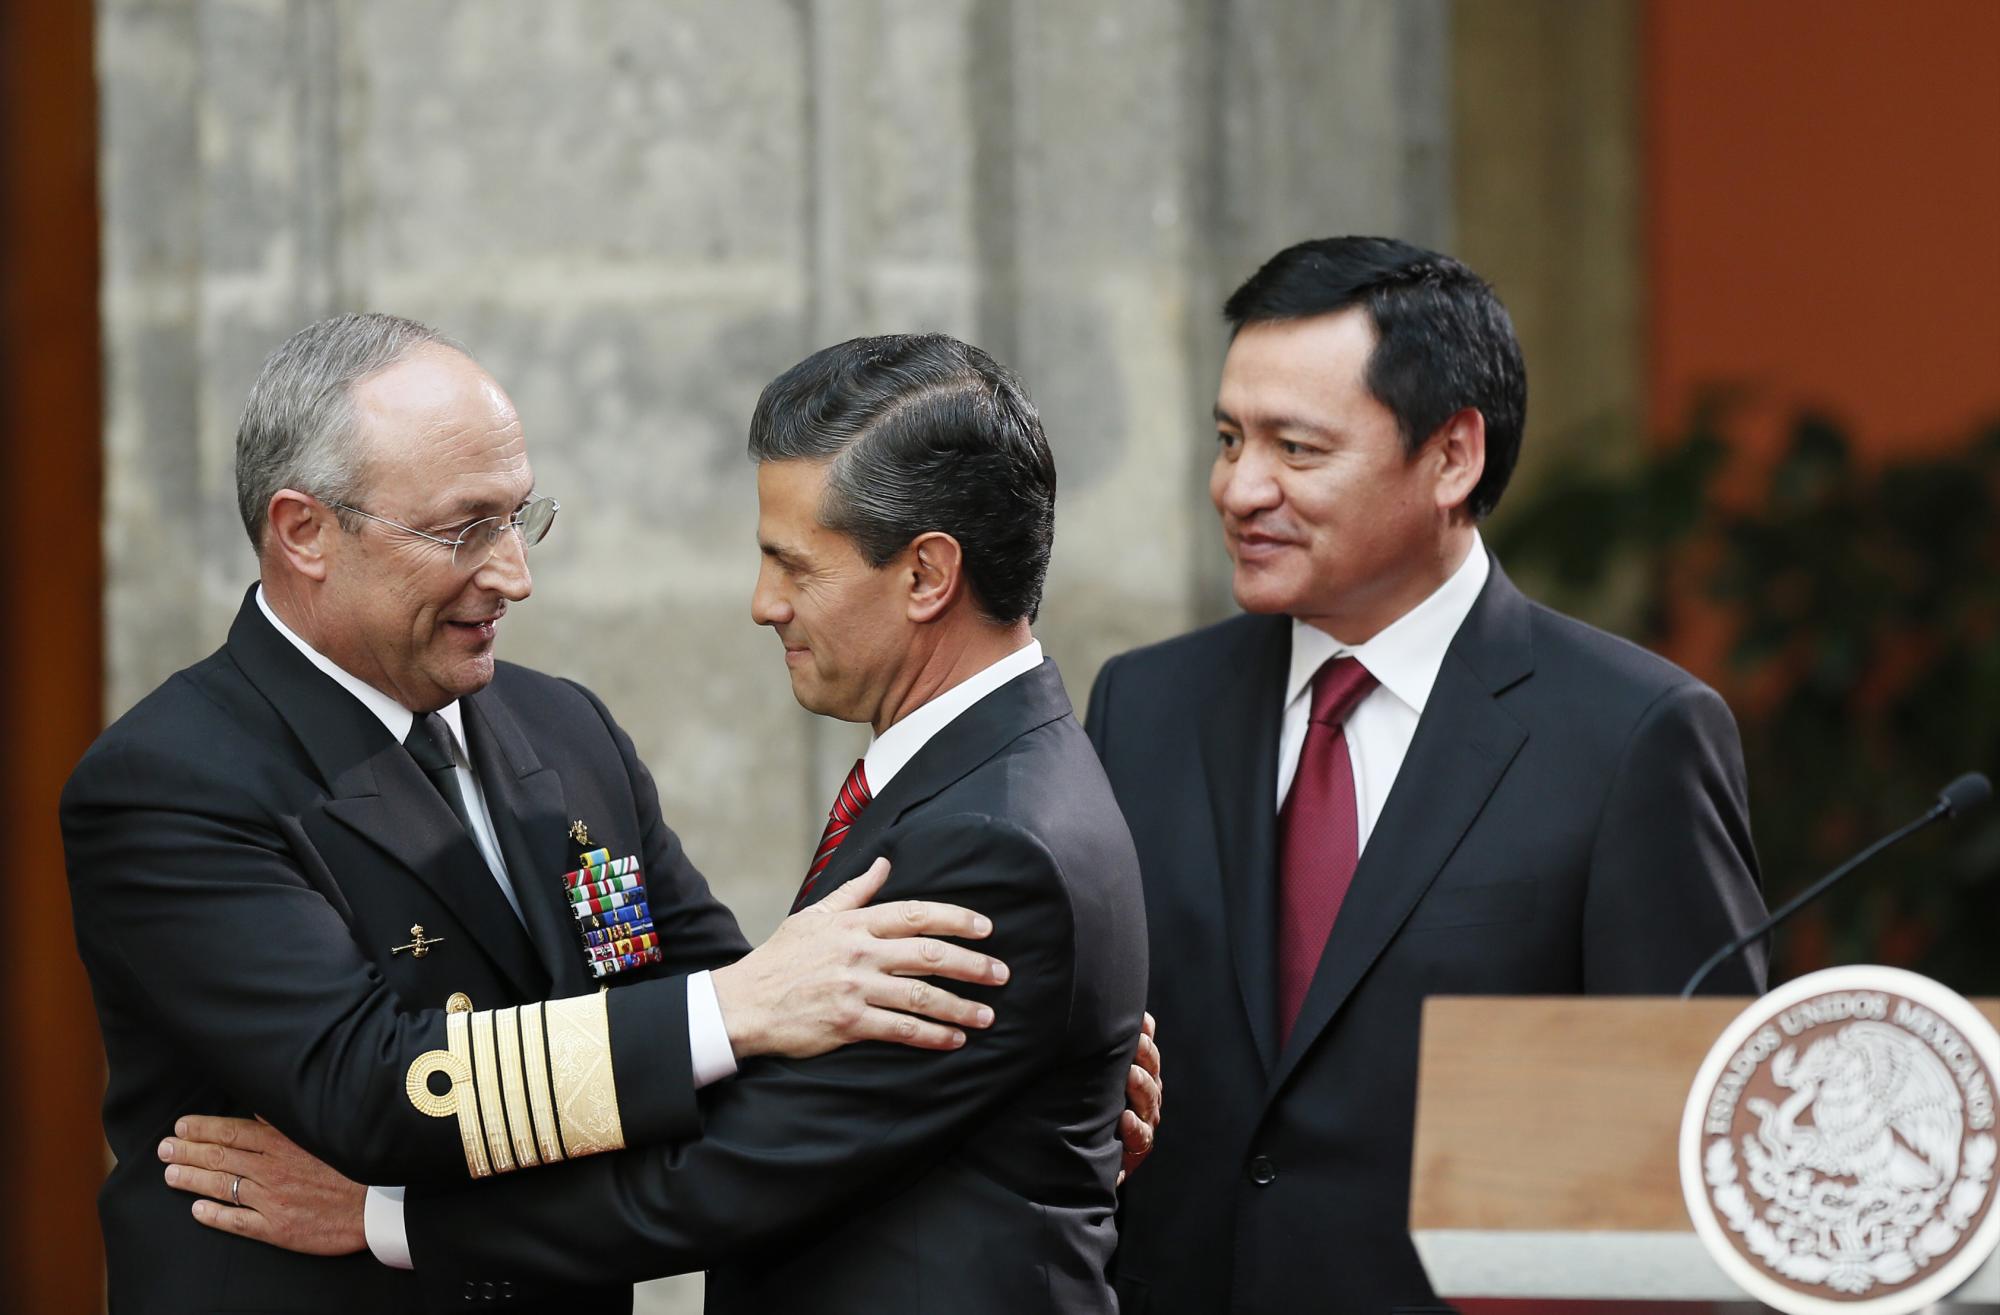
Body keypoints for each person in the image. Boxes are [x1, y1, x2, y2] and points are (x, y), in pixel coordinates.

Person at [64, 316, 1157, 1314]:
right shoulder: (170, 782)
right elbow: (373, 1089)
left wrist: (1026, 1087)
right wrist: (727, 1012)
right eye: (465, 530)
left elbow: (717, 1007)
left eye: (520, 516)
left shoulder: (558, 729)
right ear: (303, 531)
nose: (514, 573)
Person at [1083, 237, 1770, 1314]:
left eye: (1295, 449)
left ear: (1451, 457)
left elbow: (1698, 1142)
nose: (1238, 486)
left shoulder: (1630, 734)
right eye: (1226, 439)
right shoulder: (1144, 706)